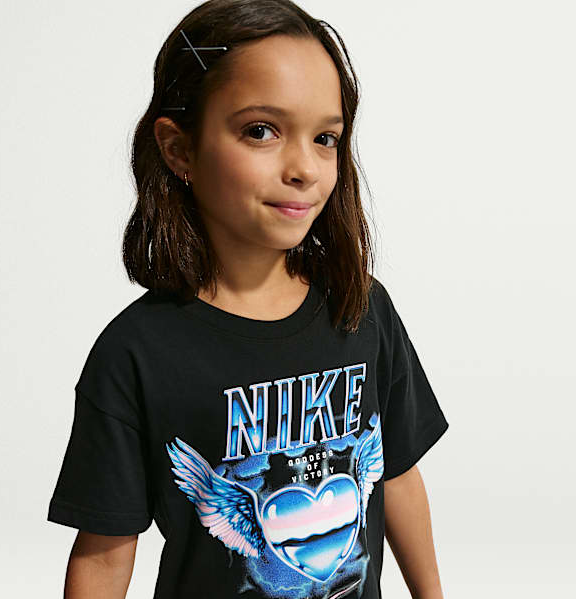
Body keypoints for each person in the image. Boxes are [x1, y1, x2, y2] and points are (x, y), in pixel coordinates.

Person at [46, 1, 450, 598]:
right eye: (261, 130)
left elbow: (397, 478)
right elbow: (104, 557)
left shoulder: (362, 309)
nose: (304, 168)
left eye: (326, 138)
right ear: (179, 149)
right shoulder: (136, 354)